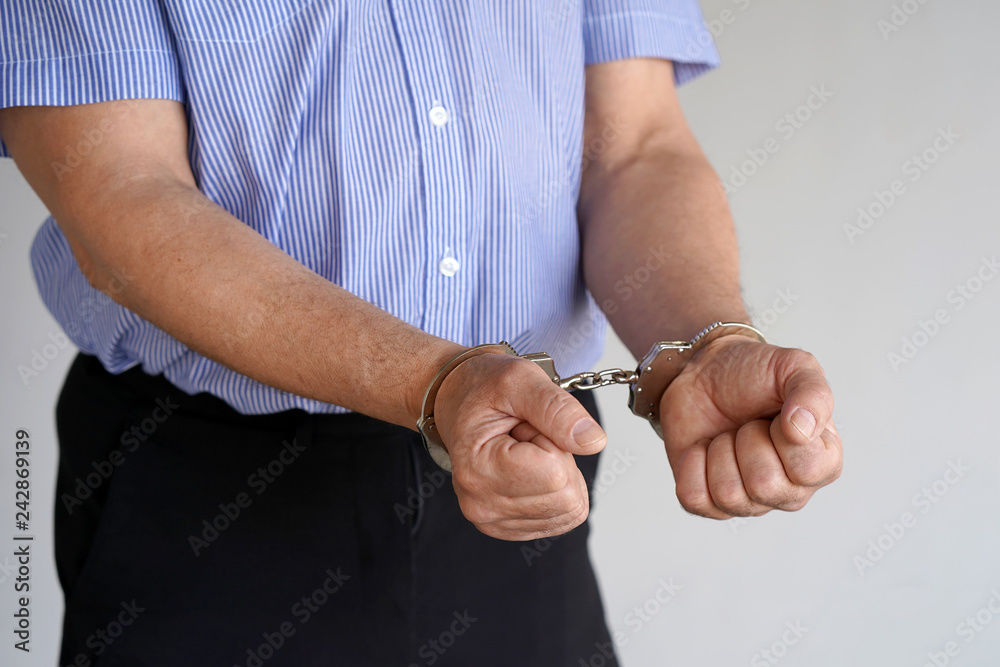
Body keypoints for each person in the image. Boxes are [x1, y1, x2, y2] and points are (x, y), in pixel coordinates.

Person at [0, 1, 842, 665]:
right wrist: (437, 383)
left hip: (528, 482)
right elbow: (121, 194)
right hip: (209, 501)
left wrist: (703, 346)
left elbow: (635, 149)